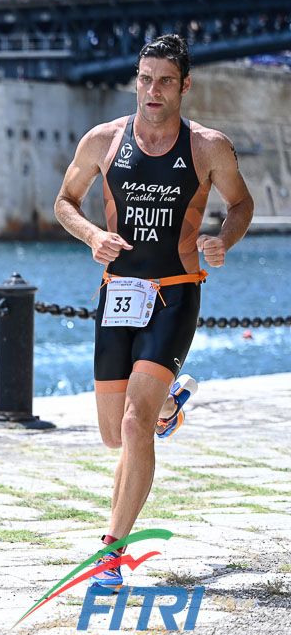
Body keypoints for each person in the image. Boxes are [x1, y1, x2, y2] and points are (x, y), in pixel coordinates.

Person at [54, 34, 253, 591]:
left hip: (176, 292)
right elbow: (65, 202)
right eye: (145, 79)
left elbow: (241, 203)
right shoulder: (103, 140)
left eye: (165, 80)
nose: (153, 90)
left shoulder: (208, 147)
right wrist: (93, 235)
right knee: (113, 435)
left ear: (185, 85)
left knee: (134, 424)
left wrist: (223, 240)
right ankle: (170, 402)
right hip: (119, 293)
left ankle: (111, 552)